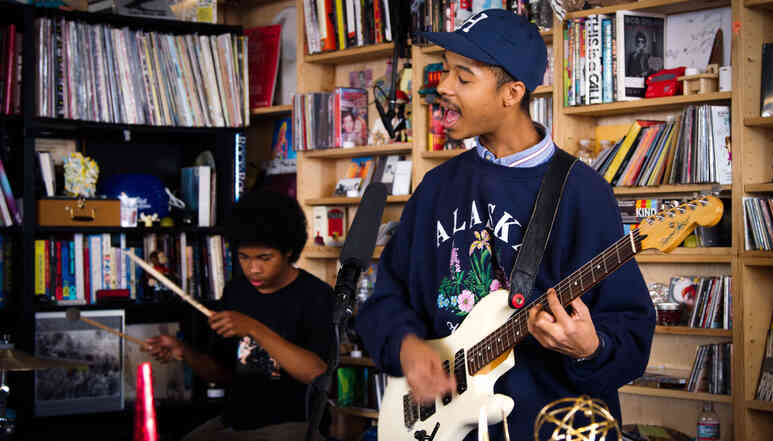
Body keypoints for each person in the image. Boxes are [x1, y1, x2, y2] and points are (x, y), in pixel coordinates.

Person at [355, 9, 655, 441]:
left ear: (511, 93)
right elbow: (386, 299)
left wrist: (590, 347)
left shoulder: (582, 193)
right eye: (445, 71)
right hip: (441, 428)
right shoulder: (436, 187)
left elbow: (630, 335)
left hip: (552, 427)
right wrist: (406, 345)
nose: (442, 86)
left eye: (463, 76)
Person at [144, 189, 334, 441]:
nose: (253, 269)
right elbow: (221, 373)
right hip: (235, 422)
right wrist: (184, 352)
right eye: (244, 258)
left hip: (296, 424)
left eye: (265, 258)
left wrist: (253, 328)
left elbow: (317, 373)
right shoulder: (237, 291)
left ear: (289, 250)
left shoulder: (316, 295)